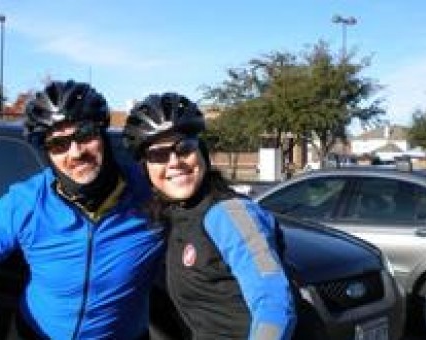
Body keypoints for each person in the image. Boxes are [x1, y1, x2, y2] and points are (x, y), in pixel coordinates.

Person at [0, 80, 164, 339]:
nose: (76, 152)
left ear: (102, 134)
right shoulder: (26, 202)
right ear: (47, 152)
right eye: (59, 144)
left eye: (85, 134)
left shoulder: (150, 194)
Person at [123, 92, 297, 339]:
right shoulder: (172, 215)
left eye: (184, 148)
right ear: (145, 168)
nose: (174, 162)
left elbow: (274, 304)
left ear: (201, 153)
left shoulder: (229, 213)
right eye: (159, 155)